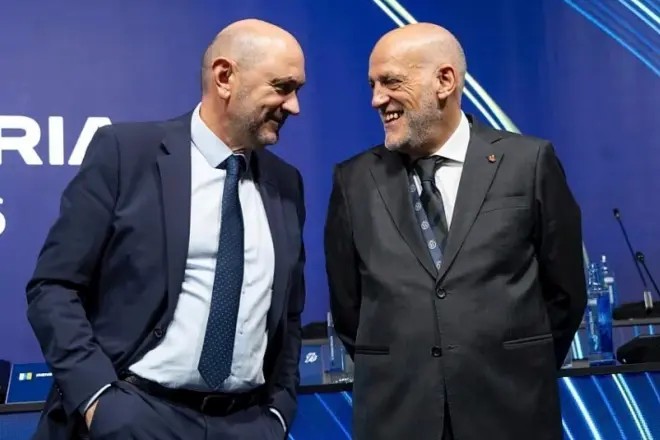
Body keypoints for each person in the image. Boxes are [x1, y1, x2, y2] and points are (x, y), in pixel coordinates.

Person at [26, 18, 306, 440]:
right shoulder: (126, 154)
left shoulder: (286, 183)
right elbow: (53, 286)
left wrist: (279, 411)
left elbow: (289, 315)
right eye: (282, 87)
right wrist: (99, 401)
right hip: (137, 416)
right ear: (225, 77)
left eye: (297, 90)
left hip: (248, 425)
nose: (294, 106)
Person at [324, 23, 586, 440]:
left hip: (511, 411)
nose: (377, 99)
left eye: (391, 82)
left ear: (444, 81)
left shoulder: (529, 162)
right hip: (399, 417)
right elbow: (348, 307)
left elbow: (565, 293)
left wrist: (514, 362)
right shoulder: (353, 180)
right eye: (372, 85)